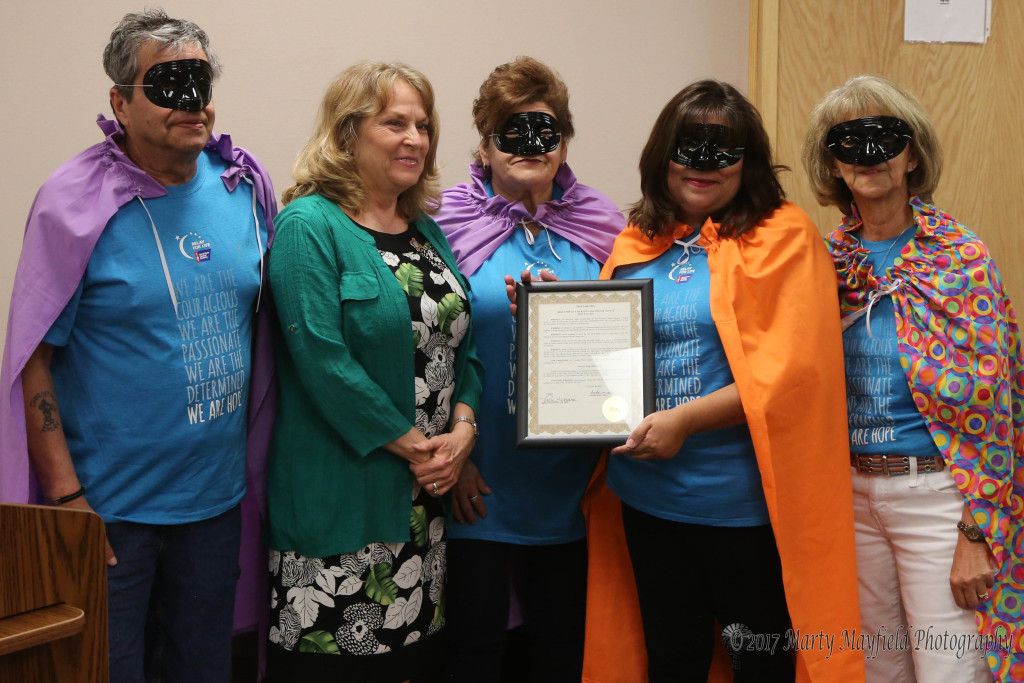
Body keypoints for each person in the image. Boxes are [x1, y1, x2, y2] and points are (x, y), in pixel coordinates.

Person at [0, 9, 276, 682]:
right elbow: (35, 354)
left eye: (200, 81)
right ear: (120, 102)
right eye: (168, 84)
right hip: (112, 514)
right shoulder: (73, 203)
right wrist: (67, 499)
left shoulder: (243, 187)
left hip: (214, 505)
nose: (193, 102)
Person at [582, 80, 864, 682]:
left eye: (721, 151)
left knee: (761, 667)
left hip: (743, 510)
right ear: (662, 155)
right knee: (671, 662)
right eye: (687, 148)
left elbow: (791, 375)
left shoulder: (786, 239)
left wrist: (686, 420)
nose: (700, 167)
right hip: (648, 499)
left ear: (748, 161)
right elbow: (613, 354)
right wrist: (562, 315)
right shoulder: (638, 242)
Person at [264, 62, 483, 683]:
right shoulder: (309, 226)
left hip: (424, 510)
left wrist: (463, 433)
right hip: (339, 509)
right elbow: (323, 363)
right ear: (347, 133)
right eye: (395, 123)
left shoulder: (426, 234)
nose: (415, 138)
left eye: (422, 124)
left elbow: (467, 349)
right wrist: (422, 451)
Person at [802, 74, 1022, 682]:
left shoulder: (960, 256)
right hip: (848, 496)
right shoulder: (823, 262)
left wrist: (975, 531)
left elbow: (998, 408)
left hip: (938, 499)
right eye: (849, 142)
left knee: (950, 671)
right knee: (875, 671)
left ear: (913, 152)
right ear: (833, 163)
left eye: (885, 137)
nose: (868, 156)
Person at [433, 56, 625, 682]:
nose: (531, 147)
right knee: (474, 657)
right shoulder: (442, 221)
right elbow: (427, 348)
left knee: (559, 658)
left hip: (572, 491)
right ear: (485, 144)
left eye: (546, 131)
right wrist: (450, 463)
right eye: (512, 132)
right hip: (476, 487)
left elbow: (625, 350)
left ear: (564, 142)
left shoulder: (602, 227)